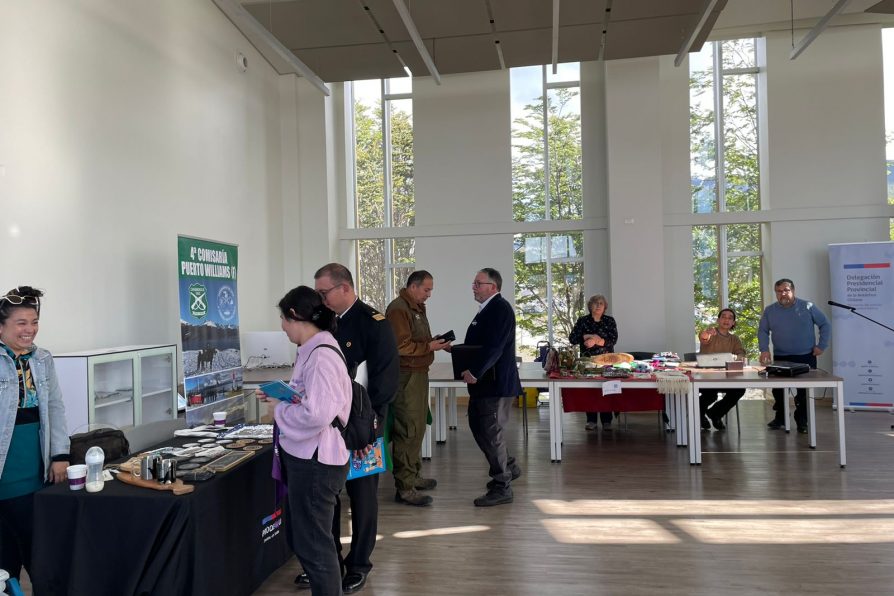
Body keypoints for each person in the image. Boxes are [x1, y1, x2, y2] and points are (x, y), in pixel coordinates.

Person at [307, 263, 399, 594]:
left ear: (345, 288)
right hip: (328, 426)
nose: (320, 299)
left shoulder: (374, 324)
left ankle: (359, 564)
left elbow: (384, 383)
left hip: (363, 427)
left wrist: (369, 430)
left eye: (324, 292)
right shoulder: (322, 325)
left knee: (362, 497)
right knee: (327, 495)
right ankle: (328, 558)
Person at [260, 286, 352, 596]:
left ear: (296, 317)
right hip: (311, 459)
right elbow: (312, 400)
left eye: (283, 320)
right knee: (311, 541)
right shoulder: (313, 350)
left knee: (314, 545)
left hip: (316, 463)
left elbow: (318, 414)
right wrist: (284, 397)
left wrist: (279, 409)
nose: (282, 327)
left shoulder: (321, 357)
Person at [0, 286, 69, 583]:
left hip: (36, 471)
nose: (30, 330)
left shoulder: (42, 359)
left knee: (41, 555)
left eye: (34, 322)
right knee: (5, 562)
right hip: (6, 471)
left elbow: (55, 407)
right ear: (1, 326)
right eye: (21, 323)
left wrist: (60, 454)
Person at [456, 268, 522, 507]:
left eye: (478, 283)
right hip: (485, 384)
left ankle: (502, 484)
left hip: (493, 384)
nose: (473, 286)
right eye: (473, 282)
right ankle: (509, 466)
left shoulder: (499, 310)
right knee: (480, 426)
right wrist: (455, 352)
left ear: (493, 287)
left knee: (490, 432)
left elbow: (494, 348)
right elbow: (480, 346)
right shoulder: (487, 310)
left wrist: (474, 371)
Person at [385, 270, 450, 507]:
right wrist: (428, 346)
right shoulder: (398, 309)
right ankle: (404, 488)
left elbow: (418, 340)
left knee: (419, 425)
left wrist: (435, 343)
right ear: (413, 286)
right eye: (426, 289)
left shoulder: (416, 306)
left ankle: (413, 476)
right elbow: (400, 346)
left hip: (419, 374)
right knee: (408, 429)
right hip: (406, 376)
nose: (429, 294)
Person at [758, 278, 831, 434]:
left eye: (786, 290)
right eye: (779, 291)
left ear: (793, 291)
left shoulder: (808, 306)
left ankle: (802, 421)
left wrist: (821, 345)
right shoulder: (770, 310)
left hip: (805, 356)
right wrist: (764, 349)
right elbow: (763, 331)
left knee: (803, 392)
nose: (783, 294)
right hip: (781, 357)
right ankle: (782, 418)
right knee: (778, 391)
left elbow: (825, 324)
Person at [568, 294, 619, 431]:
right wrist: (587, 336)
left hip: (606, 361)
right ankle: (591, 420)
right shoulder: (583, 321)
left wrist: (597, 340)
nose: (598, 305)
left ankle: (607, 421)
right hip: (587, 362)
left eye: (601, 303)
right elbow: (572, 338)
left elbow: (613, 340)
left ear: (605, 307)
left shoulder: (609, 321)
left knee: (606, 390)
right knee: (590, 391)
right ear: (590, 306)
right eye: (595, 303)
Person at [697, 308, 746, 431]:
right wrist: (707, 333)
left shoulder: (734, 339)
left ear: (733, 323)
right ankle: (699, 415)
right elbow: (703, 337)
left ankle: (715, 413)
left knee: (739, 390)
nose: (726, 320)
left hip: (726, 377)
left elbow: (741, 352)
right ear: (718, 320)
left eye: (730, 318)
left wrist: (739, 357)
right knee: (710, 395)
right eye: (723, 317)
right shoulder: (711, 333)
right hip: (706, 377)